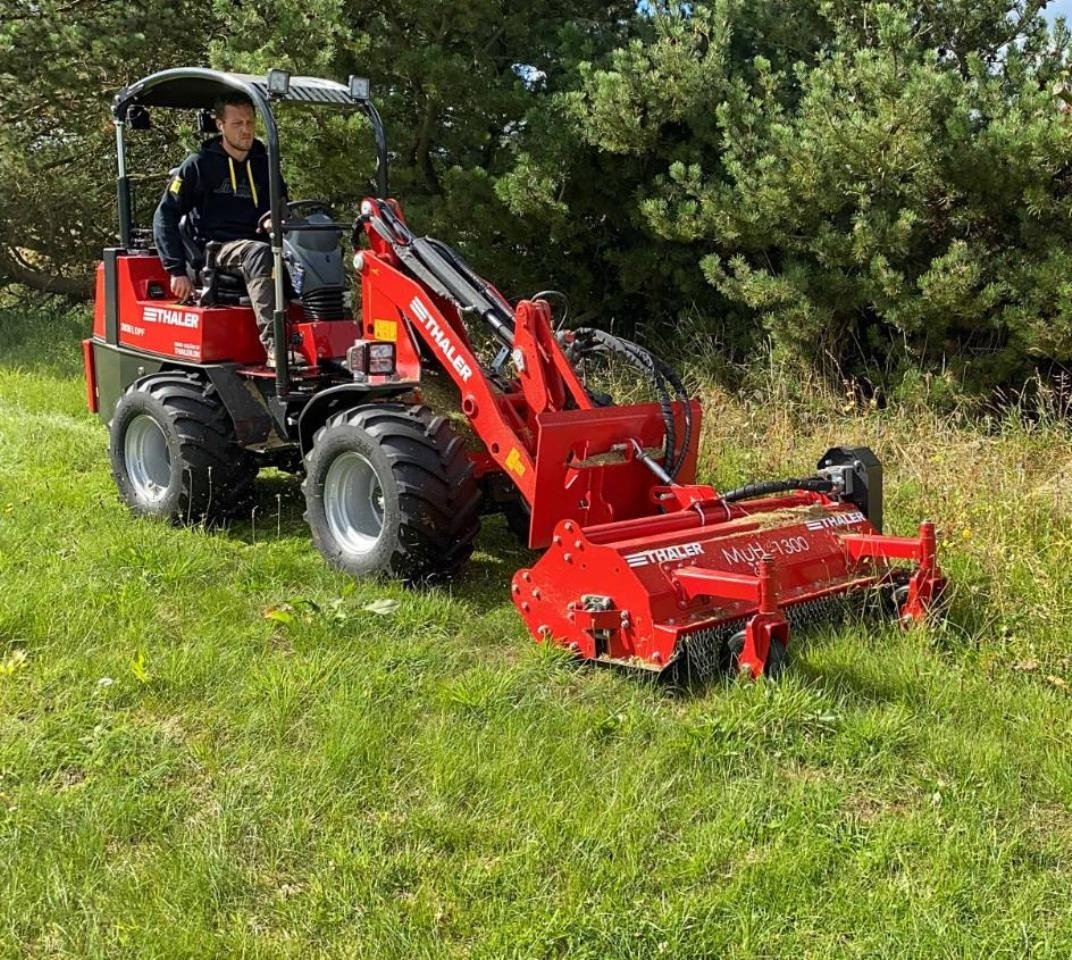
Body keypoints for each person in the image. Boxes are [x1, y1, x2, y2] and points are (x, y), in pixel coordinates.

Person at [152, 90, 293, 366]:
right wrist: (175, 270)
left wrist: (271, 218)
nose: (246, 130)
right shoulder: (199, 165)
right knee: (258, 252)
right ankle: (276, 346)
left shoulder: (265, 165)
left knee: (313, 239)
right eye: (237, 124)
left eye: (250, 123)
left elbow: (280, 207)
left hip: (259, 244)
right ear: (220, 125)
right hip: (215, 250)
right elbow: (165, 215)